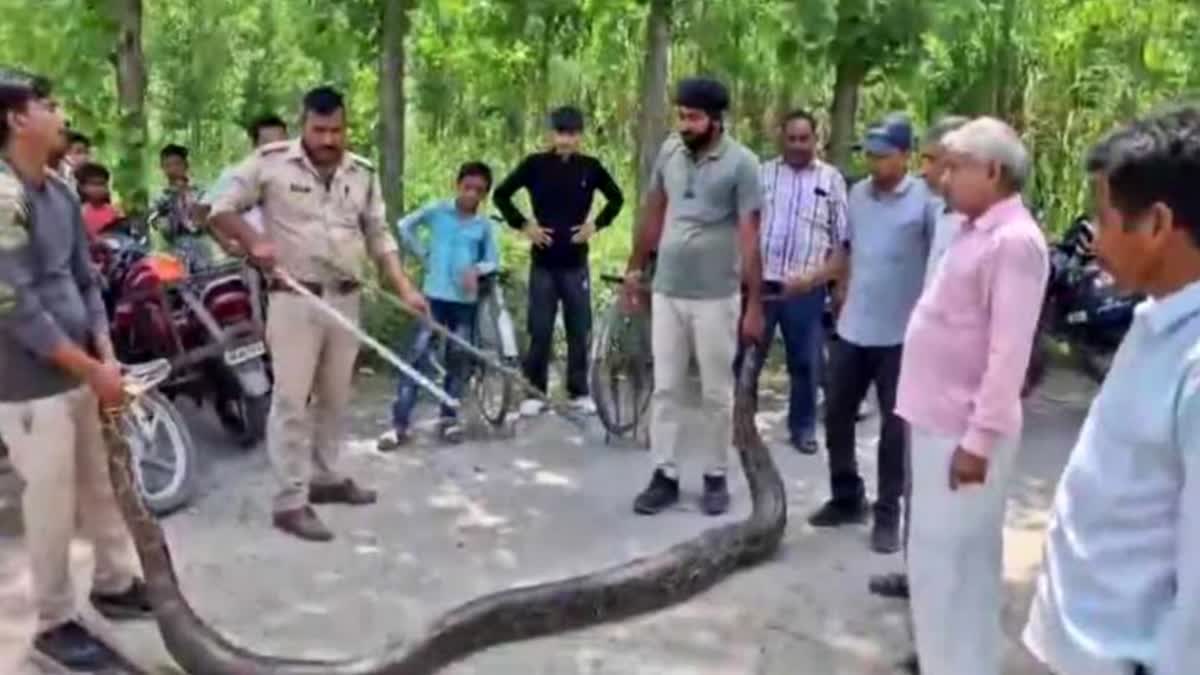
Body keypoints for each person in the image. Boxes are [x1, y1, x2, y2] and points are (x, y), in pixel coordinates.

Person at [208, 85, 428, 543]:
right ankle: (290, 500)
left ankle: (325, 477)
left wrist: (405, 287)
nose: (329, 139)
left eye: (337, 130)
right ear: (303, 125)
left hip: (346, 298)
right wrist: (253, 243)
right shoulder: (269, 164)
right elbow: (218, 208)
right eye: (319, 129)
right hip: (295, 300)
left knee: (334, 396)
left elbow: (380, 234)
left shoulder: (361, 173)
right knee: (291, 400)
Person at [1023, 107, 1200, 675]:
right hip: (1080, 648)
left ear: (1157, 225)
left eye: (1104, 218)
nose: (1093, 241)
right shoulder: (1155, 318)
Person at [0, 67, 152, 672]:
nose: (61, 113)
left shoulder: (61, 191)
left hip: (86, 371)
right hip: (30, 386)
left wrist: (107, 355)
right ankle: (54, 623)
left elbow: (86, 282)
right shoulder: (2, 200)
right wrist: (91, 368)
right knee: (52, 503)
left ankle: (115, 583)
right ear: (16, 119)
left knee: (103, 483)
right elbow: (15, 306)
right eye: (49, 104)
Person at [897, 117, 1047, 675]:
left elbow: (1010, 354)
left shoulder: (1015, 242)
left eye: (955, 167)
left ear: (993, 171)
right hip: (937, 421)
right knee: (946, 566)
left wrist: (978, 441)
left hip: (963, 433)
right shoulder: (972, 229)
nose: (942, 178)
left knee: (950, 569)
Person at [624, 77, 764, 517]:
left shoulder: (742, 164)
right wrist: (634, 268)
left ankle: (715, 475)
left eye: (693, 117)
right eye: (681, 115)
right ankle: (664, 475)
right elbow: (654, 211)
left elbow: (749, 234)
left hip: (715, 296)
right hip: (667, 289)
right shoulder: (669, 151)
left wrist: (755, 303)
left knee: (715, 393)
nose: (684, 124)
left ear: (716, 120)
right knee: (665, 388)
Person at [810, 113, 940, 554]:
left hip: (901, 335)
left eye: (883, 155)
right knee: (836, 414)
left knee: (894, 429)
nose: (874, 162)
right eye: (869, 153)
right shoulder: (857, 195)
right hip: (853, 327)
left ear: (905, 156)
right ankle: (847, 496)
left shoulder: (926, 200)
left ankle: (888, 513)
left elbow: (940, 262)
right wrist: (821, 284)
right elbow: (846, 251)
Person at [868, 114, 968, 603]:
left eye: (935, 162)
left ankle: (944, 620)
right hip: (926, 376)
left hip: (960, 392)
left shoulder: (997, 232)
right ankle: (917, 576)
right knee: (921, 488)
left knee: (954, 510)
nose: (927, 173)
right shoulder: (946, 217)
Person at [493, 105, 624, 416]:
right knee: (540, 328)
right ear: (552, 134)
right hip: (543, 261)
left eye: (572, 134)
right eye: (561, 133)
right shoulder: (535, 165)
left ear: (580, 136)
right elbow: (501, 194)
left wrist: (596, 225)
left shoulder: (590, 168)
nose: (566, 140)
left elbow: (616, 198)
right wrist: (525, 225)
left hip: (576, 260)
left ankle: (578, 390)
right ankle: (534, 392)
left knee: (579, 327)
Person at [733, 109, 848, 455]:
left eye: (804, 138)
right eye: (791, 138)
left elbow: (842, 239)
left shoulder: (831, 180)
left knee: (805, 361)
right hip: (760, 285)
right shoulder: (762, 175)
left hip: (806, 287)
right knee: (746, 356)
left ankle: (802, 428)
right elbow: (744, 225)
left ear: (816, 139)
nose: (798, 145)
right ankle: (740, 424)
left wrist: (829, 282)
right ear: (781, 138)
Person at [379, 161, 499, 448]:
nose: (471, 194)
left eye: (479, 191)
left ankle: (448, 420)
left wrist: (476, 270)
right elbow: (404, 226)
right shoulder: (437, 212)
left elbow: (492, 260)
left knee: (458, 358)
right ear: (457, 185)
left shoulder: (483, 226)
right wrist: (424, 253)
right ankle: (399, 423)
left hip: (464, 303)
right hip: (433, 298)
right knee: (418, 355)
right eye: (467, 187)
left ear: (484, 195)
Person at [204, 113, 289, 235]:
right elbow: (206, 212)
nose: (276, 148)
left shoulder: (300, 174)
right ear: (255, 145)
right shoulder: (235, 174)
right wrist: (228, 245)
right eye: (268, 142)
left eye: (281, 141)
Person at [153, 143, 211, 266]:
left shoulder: (200, 190)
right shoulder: (159, 197)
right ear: (163, 169)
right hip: (173, 251)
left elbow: (208, 219)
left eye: (177, 164)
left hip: (202, 246)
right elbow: (163, 230)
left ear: (186, 165)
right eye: (168, 165)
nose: (173, 169)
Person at [75, 162, 123, 239]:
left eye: (102, 184)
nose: (99, 189)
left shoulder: (114, 212)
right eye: (94, 184)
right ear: (82, 187)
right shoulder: (79, 213)